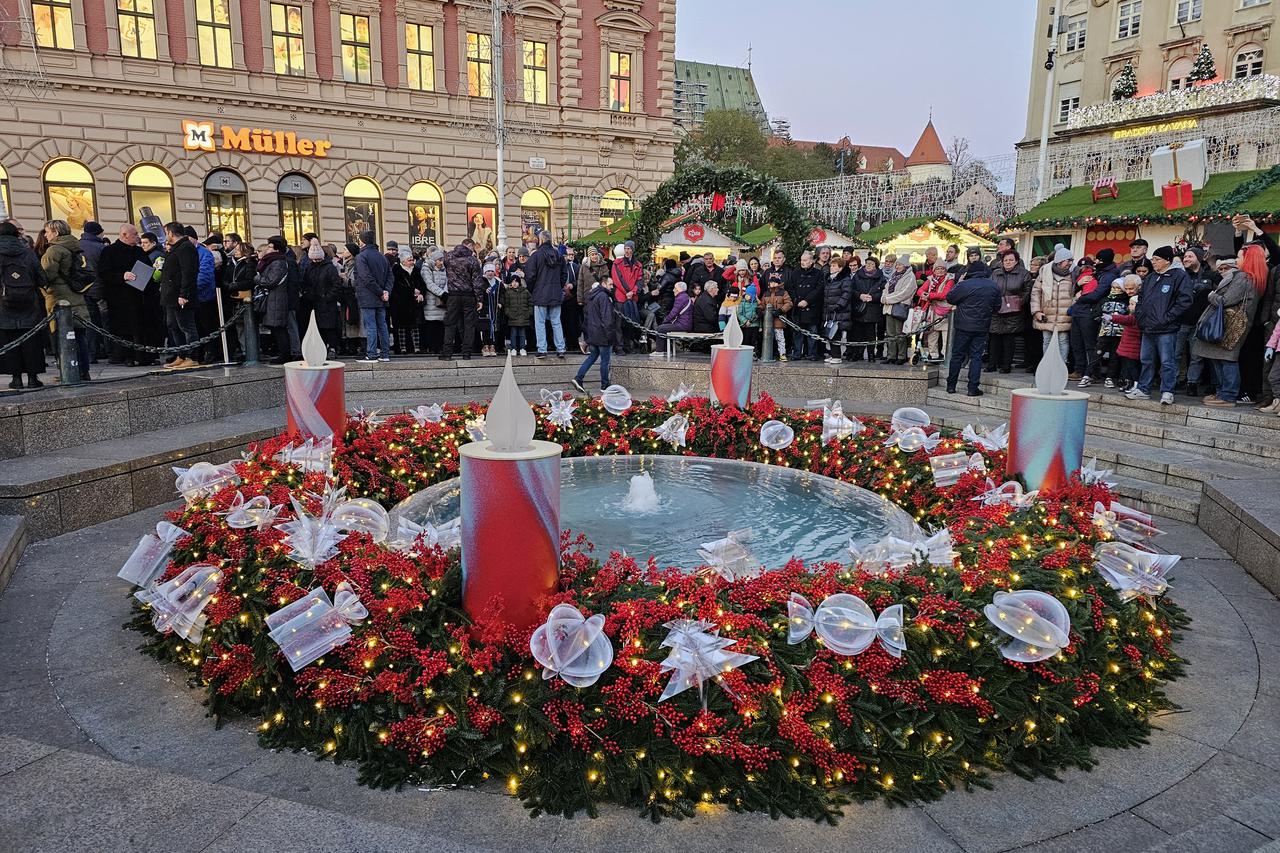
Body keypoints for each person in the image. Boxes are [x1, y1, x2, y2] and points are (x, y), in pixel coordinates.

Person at [1194, 248, 1266, 407]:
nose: (1236, 260)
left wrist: (1212, 295)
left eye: (1239, 257)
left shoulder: (1243, 278)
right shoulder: (1252, 277)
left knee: (1227, 360)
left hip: (1229, 324)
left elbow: (1225, 300)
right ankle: (1223, 393)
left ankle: (1228, 395)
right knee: (1222, 358)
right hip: (1232, 324)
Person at [1127, 246, 1193, 405]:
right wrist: (1140, 316)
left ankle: (1168, 391)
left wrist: (1167, 318)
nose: (1153, 262)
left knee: (1167, 361)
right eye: (1153, 259)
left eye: (1157, 259)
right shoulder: (1150, 278)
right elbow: (1141, 299)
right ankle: (1143, 389)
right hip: (1148, 326)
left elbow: (1185, 301)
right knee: (1146, 359)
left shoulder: (1179, 276)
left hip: (1167, 328)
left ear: (1167, 260)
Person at [0, 221, 47, 388]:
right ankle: (33, 378)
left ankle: (16, 378)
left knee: (10, 342)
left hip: (3, 306)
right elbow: (42, 278)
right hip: (29, 303)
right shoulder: (28, 252)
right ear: (16, 234)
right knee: (31, 341)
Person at [945, 259, 1001, 397]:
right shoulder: (993, 286)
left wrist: (959, 282)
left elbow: (950, 298)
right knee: (976, 357)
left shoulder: (965, 285)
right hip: (982, 326)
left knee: (957, 356)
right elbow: (997, 307)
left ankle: (951, 386)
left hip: (963, 326)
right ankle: (972, 388)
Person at [96, 224, 150, 365]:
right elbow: (104, 273)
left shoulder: (139, 251)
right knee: (123, 328)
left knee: (141, 327)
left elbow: (148, 268)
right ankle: (127, 356)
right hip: (119, 297)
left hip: (139, 295)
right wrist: (122, 276)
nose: (137, 237)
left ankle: (142, 356)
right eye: (134, 234)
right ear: (124, 235)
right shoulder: (110, 251)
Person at [1178, 246, 1220, 396]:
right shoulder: (1181, 276)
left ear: (1199, 257)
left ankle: (1192, 383)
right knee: (1176, 354)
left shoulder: (1210, 275)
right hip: (1181, 321)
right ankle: (1175, 381)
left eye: (1190, 256)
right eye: (1185, 257)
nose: (1186, 259)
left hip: (1201, 323)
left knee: (1197, 355)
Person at [157, 221, 200, 370]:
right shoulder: (175, 248)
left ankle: (192, 356)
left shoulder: (186, 247)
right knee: (173, 326)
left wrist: (184, 293)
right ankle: (181, 355)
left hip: (180, 294)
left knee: (186, 326)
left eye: (166, 233)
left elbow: (188, 272)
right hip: (170, 295)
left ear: (171, 233)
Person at [571, 261, 619, 393]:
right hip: (602, 334)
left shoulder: (593, 296)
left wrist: (587, 335)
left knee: (592, 356)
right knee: (605, 360)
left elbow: (587, 317)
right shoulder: (603, 297)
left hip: (593, 334)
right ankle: (605, 385)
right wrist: (611, 337)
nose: (612, 287)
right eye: (610, 284)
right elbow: (607, 319)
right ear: (603, 284)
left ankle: (578, 378)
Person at [255, 236, 296, 365]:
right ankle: (283, 353)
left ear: (277, 249)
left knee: (279, 327)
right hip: (272, 298)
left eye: (270, 246)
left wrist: (257, 279)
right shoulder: (271, 261)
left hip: (277, 298)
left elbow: (272, 281)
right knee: (275, 327)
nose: (267, 249)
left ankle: (285, 354)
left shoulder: (278, 262)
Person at [524, 231, 566, 359]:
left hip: (540, 293)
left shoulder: (536, 256)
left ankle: (542, 349)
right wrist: (558, 286)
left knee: (540, 322)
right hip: (555, 292)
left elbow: (529, 276)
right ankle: (561, 349)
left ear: (541, 241)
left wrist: (533, 289)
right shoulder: (559, 255)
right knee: (556, 322)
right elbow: (564, 275)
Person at [441, 238, 484, 360]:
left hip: (453, 295)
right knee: (469, 325)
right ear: (469, 246)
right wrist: (479, 299)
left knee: (450, 323)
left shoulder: (449, 257)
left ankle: (447, 353)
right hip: (468, 295)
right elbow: (477, 282)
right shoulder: (472, 260)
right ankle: (466, 353)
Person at [354, 231, 392, 363]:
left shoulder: (361, 257)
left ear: (362, 241)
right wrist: (385, 291)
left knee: (370, 326)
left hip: (368, 297)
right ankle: (385, 354)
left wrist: (381, 292)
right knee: (382, 325)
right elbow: (390, 277)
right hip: (381, 297)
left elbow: (366, 278)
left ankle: (371, 354)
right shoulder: (382, 256)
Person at [1067, 257, 1106, 386]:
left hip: (1088, 313)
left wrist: (1081, 296)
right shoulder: (1077, 278)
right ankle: (1079, 370)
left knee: (1089, 345)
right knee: (1076, 343)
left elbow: (1092, 295)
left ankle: (1093, 372)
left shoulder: (1095, 277)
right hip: (1078, 312)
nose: (1084, 269)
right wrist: (1078, 287)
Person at [1031, 246, 1074, 362]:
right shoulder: (1045, 272)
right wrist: (1036, 311)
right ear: (1060, 260)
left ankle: (1062, 365)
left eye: (1071, 260)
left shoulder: (1072, 275)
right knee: (1047, 340)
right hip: (1047, 313)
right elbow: (1036, 293)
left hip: (1064, 314)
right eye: (1068, 260)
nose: (1070, 263)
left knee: (1063, 340)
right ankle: (1047, 364)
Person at [304, 241, 342, 355]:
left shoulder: (329, 268)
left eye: (317, 259)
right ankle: (322, 349)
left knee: (329, 327)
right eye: (313, 259)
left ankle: (332, 348)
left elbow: (336, 285)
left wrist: (327, 296)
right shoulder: (310, 268)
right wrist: (309, 294)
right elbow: (306, 283)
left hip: (327, 302)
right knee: (319, 328)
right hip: (314, 302)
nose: (315, 261)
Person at [915, 261, 954, 364]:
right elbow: (920, 290)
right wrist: (924, 294)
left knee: (946, 336)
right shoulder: (930, 279)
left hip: (944, 311)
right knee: (932, 334)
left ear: (945, 270)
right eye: (938, 269)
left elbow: (944, 294)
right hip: (931, 311)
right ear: (934, 270)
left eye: (942, 269)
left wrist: (929, 296)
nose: (940, 271)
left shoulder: (949, 280)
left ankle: (946, 356)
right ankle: (933, 355)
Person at [880, 255, 916, 365]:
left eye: (900, 265)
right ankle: (891, 355)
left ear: (905, 265)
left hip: (900, 308)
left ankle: (901, 356)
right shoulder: (894, 276)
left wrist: (887, 299)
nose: (898, 267)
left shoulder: (910, 277)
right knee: (890, 333)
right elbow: (886, 288)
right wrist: (884, 297)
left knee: (900, 334)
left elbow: (904, 293)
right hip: (889, 308)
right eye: (897, 265)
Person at [789, 250, 824, 361]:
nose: (802, 262)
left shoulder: (818, 274)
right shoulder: (796, 273)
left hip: (812, 307)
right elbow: (790, 288)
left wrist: (807, 301)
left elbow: (818, 289)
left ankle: (812, 353)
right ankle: (797, 353)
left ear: (811, 261)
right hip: (798, 306)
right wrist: (797, 301)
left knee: (812, 331)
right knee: (797, 332)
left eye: (805, 260)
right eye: (801, 260)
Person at [847, 256, 882, 362]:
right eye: (867, 263)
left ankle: (871, 354)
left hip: (872, 308)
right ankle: (858, 353)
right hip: (859, 307)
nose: (869, 265)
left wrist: (873, 297)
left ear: (875, 265)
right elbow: (851, 290)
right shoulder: (857, 275)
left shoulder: (880, 277)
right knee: (858, 333)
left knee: (871, 333)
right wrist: (860, 295)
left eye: (871, 264)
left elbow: (883, 292)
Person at [610, 241, 643, 353]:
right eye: (626, 249)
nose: (627, 251)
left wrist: (633, 292)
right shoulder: (617, 263)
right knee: (618, 324)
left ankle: (627, 346)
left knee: (629, 323)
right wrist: (628, 292)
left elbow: (639, 280)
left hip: (631, 297)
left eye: (629, 249)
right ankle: (619, 347)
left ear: (633, 250)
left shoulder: (638, 265)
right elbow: (617, 280)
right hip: (620, 297)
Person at [390, 248, 422, 355]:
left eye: (412, 260)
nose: (412, 262)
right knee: (401, 327)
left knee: (415, 326)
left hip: (414, 303)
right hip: (400, 303)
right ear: (403, 261)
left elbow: (422, 284)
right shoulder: (396, 270)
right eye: (409, 260)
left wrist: (421, 293)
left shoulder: (416, 270)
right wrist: (412, 291)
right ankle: (402, 347)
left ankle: (416, 347)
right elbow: (397, 287)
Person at [822, 257, 852, 364]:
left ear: (840, 268)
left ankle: (837, 356)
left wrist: (838, 305)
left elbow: (846, 294)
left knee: (836, 333)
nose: (831, 268)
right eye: (831, 265)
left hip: (839, 311)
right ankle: (833, 354)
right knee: (830, 333)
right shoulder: (830, 279)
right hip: (829, 310)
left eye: (834, 266)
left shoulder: (845, 279)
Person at [417, 247, 447, 355]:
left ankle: (440, 346)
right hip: (431, 301)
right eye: (439, 260)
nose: (441, 262)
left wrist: (445, 292)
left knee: (440, 325)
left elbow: (447, 281)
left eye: (442, 259)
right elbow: (428, 283)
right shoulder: (426, 268)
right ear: (434, 260)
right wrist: (441, 293)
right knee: (432, 324)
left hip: (442, 301)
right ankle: (432, 347)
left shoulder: (444, 268)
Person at [760, 271, 792, 361]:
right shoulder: (766, 293)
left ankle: (782, 353)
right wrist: (760, 309)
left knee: (780, 338)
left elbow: (789, 303)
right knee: (767, 338)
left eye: (774, 282)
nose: (772, 284)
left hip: (779, 320)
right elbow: (762, 304)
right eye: (771, 282)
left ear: (778, 283)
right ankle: (769, 353)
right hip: (767, 321)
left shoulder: (783, 292)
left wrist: (781, 310)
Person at [503, 265, 533, 355]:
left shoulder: (525, 291)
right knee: (513, 334)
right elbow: (506, 305)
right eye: (513, 281)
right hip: (513, 317)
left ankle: (522, 348)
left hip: (523, 316)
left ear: (519, 282)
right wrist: (509, 313)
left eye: (516, 281)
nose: (515, 283)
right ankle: (514, 348)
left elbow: (530, 303)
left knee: (522, 334)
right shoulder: (508, 292)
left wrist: (528, 313)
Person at [561, 245, 582, 353]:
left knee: (573, 322)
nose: (569, 257)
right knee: (562, 322)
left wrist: (573, 285)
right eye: (568, 255)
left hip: (572, 297)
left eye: (571, 255)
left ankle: (573, 343)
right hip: (561, 298)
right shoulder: (559, 266)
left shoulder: (575, 267)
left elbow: (580, 280)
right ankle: (565, 343)